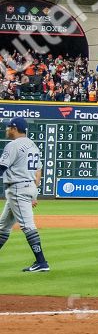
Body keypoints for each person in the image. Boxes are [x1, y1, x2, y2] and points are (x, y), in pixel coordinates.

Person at [0, 116, 48, 272]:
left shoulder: (13, 145)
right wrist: (33, 193)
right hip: (27, 186)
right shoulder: (33, 145)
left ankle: (42, 262)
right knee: (3, 227)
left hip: (17, 189)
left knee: (27, 226)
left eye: (8, 127)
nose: (7, 130)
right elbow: (38, 170)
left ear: (14, 128)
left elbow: (2, 167)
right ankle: (41, 262)